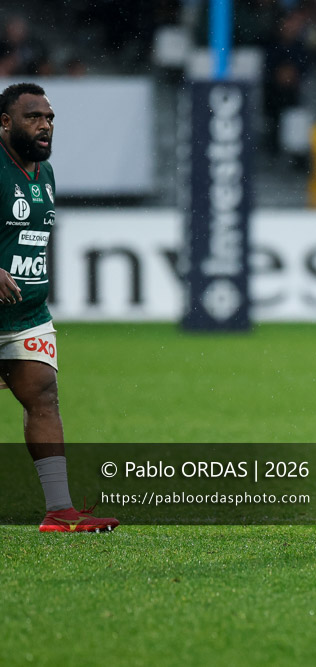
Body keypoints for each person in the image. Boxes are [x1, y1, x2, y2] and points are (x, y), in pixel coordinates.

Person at [0, 82, 118, 532]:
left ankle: (58, 510)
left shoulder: (43, 173)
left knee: (43, 396)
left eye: (49, 118)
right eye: (33, 117)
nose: (45, 125)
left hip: (26, 314)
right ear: (6, 122)